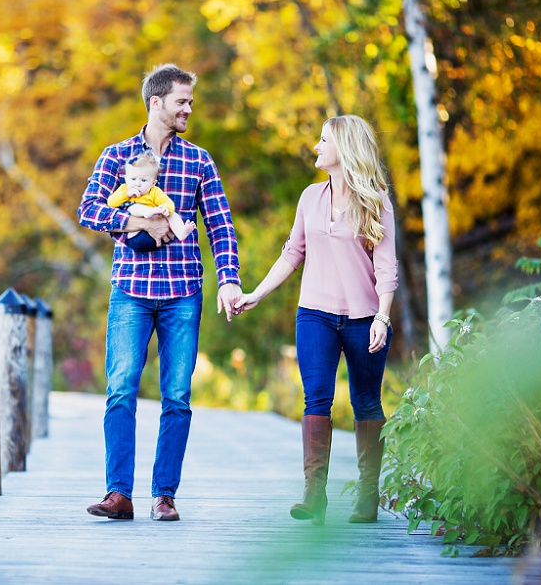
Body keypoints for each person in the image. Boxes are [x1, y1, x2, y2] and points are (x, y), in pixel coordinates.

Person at [77, 63, 242, 522]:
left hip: (183, 292)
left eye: (190, 101)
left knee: (177, 396)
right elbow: (88, 209)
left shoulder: (199, 160)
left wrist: (229, 278)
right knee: (120, 390)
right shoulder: (116, 155)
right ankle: (118, 494)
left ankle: (164, 495)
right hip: (130, 291)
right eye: (182, 101)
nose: (189, 108)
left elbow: (221, 226)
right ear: (156, 103)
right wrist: (137, 222)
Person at [235, 115, 398, 525]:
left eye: (323, 140)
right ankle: (314, 495)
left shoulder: (375, 200)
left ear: (344, 149)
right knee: (316, 399)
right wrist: (256, 292)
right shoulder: (310, 197)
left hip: (364, 319)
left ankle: (367, 496)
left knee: (366, 401)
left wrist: (382, 316)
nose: (315, 146)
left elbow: (387, 268)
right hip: (315, 315)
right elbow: (293, 252)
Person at [106, 151, 196, 252]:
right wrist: (126, 195)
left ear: (153, 183)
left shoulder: (154, 192)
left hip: (154, 238)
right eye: (133, 179)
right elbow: (111, 203)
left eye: (143, 180)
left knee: (172, 214)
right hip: (134, 235)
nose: (137, 184)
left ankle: (181, 232)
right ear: (126, 179)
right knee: (132, 207)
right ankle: (146, 211)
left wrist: (165, 208)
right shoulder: (124, 189)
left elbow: (167, 202)